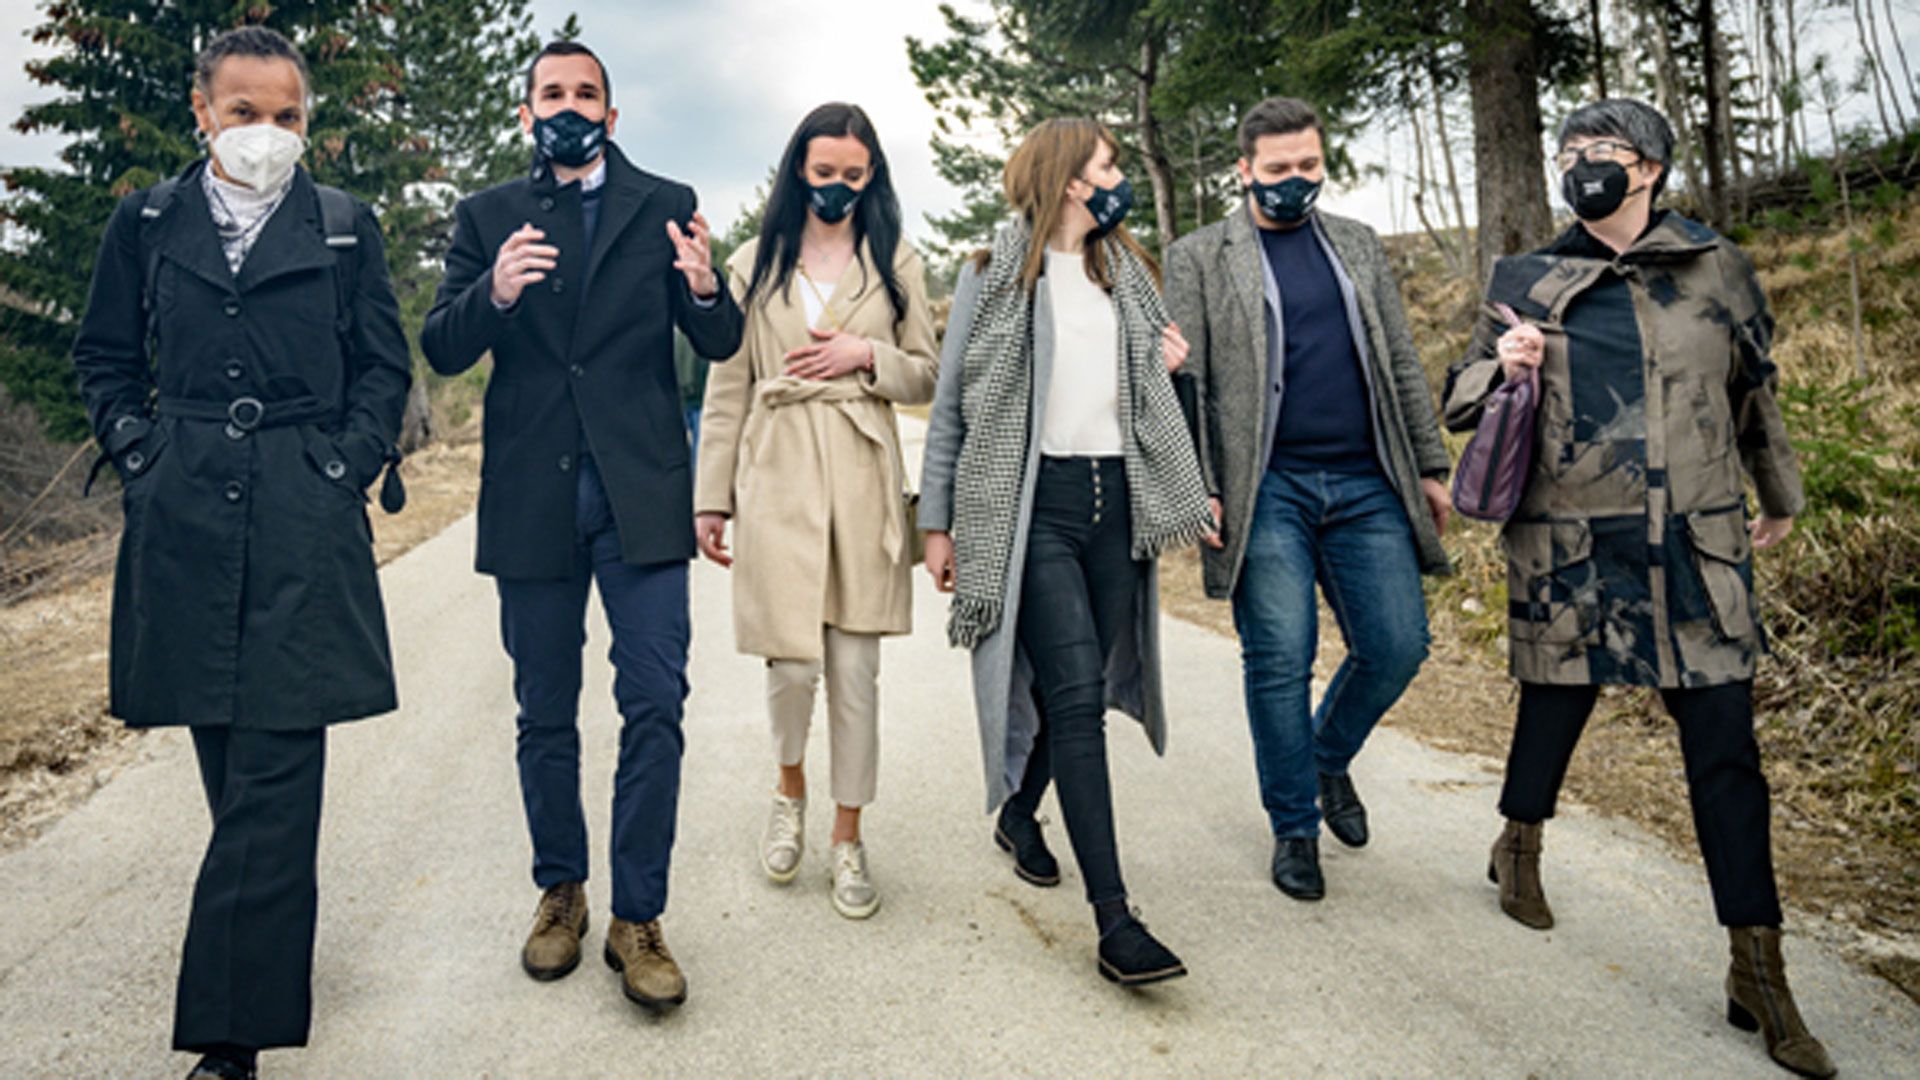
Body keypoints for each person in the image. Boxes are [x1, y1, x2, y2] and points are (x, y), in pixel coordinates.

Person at [1442, 98, 1832, 1079]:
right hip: (1571, 543)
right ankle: (1519, 843)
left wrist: (1778, 491)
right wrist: (1500, 363)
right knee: (1555, 706)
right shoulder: (1525, 276)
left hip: (1694, 548)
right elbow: (1456, 397)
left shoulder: (1715, 266)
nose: (1583, 166)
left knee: (1726, 755)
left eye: (1603, 153)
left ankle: (1760, 973)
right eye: (1570, 153)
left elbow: (1755, 388)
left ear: (1651, 168)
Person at [69, 26, 410, 1080]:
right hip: (186, 520)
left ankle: (231, 1039)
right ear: (202, 111)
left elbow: (382, 368)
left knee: (274, 774)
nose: (267, 132)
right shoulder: (150, 220)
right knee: (231, 762)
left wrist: (344, 463)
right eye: (245, 111)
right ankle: (267, 941)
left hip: (305, 514)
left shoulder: (346, 228)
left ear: (308, 122)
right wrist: (139, 454)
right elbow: (106, 356)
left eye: (288, 115)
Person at [420, 40, 743, 1012]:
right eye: (551, 93)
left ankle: (637, 917)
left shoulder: (665, 200)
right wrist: (496, 291)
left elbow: (720, 341)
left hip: (639, 493)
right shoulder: (486, 217)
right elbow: (441, 344)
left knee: (655, 700)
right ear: (529, 113)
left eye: (585, 92)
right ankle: (560, 892)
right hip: (533, 493)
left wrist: (701, 285)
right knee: (544, 709)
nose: (569, 106)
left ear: (613, 110)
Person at [919, 117, 1214, 986]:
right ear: (1068, 179)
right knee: (1080, 698)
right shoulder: (992, 274)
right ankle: (1115, 922)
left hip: (1117, 505)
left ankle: (1021, 811)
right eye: (1108, 165)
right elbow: (951, 412)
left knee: (1067, 690)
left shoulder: (1128, 271)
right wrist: (939, 525)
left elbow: (1153, 399)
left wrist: (1174, 371)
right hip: (1031, 508)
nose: (1117, 177)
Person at [1163, 97, 1453, 901]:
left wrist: (1429, 464)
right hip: (1268, 488)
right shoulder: (1198, 256)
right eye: (1280, 169)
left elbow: (1398, 357)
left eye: (1309, 167)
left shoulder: (1356, 245)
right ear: (1246, 170)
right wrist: (1202, 488)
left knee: (1396, 644)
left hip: (1366, 481)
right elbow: (1188, 384)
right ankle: (1294, 827)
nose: (1296, 182)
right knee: (1280, 656)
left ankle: (1326, 760)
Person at [693, 103, 937, 919]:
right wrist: (712, 499)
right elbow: (726, 388)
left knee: (856, 674)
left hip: (863, 472)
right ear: (799, 166)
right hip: (780, 472)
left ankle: (847, 837)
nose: (836, 187)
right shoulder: (752, 263)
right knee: (792, 666)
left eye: (853, 175)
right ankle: (789, 790)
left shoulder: (896, 261)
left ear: (872, 177)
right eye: (823, 172)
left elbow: (930, 376)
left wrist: (868, 354)